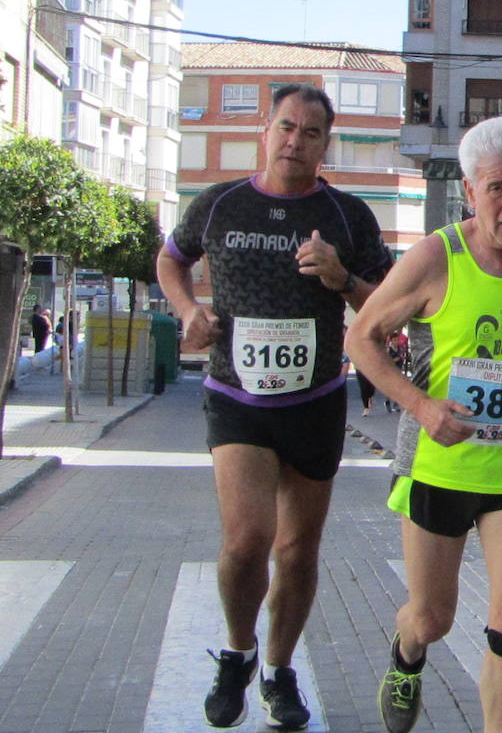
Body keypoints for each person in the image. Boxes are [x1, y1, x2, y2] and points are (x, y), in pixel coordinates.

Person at [156, 83, 391, 731]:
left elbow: (386, 304)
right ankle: (238, 649)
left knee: (296, 549)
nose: (295, 140)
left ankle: (279, 671)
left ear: (325, 144)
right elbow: (171, 260)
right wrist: (187, 311)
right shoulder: (220, 202)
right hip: (237, 395)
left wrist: (342, 277)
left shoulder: (348, 216)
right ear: (267, 130)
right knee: (247, 538)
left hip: (315, 399)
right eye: (286, 126)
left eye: (310, 132)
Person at [344, 114, 502, 733]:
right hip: (438, 463)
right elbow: (362, 339)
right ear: (470, 191)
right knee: (433, 618)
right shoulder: (435, 258)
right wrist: (422, 408)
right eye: (497, 188)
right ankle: (407, 652)